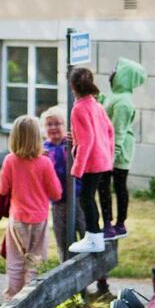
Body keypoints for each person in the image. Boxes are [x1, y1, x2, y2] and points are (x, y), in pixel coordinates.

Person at [0, 114, 62, 299]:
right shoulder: (45, 162)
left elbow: (3, 188)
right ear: (37, 137)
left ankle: (12, 299)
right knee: (36, 262)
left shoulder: (10, 160)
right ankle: (30, 299)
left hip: (17, 219)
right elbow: (56, 193)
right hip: (39, 220)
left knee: (15, 262)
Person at [68, 67, 115, 254]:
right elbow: (110, 131)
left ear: (72, 86)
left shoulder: (79, 109)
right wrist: (108, 155)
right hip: (102, 159)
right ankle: (92, 235)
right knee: (89, 197)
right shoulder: (96, 105)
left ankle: (94, 237)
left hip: (91, 162)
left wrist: (77, 168)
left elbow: (86, 141)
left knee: (86, 198)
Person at [100, 58, 147, 238]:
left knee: (115, 186)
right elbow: (107, 106)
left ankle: (117, 224)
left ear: (123, 76)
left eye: (115, 70)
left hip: (118, 151)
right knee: (107, 186)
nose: (111, 73)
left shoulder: (124, 102)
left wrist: (113, 156)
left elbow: (118, 131)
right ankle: (109, 223)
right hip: (111, 149)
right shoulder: (116, 96)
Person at [41, 105, 86, 262]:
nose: (53, 127)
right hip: (58, 201)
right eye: (49, 124)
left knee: (85, 231)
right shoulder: (44, 149)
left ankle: (99, 276)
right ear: (44, 128)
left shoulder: (71, 143)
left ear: (65, 126)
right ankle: (66, 268)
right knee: (63, 237)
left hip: (78, 196)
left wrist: (75, 144)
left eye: (57, 123)